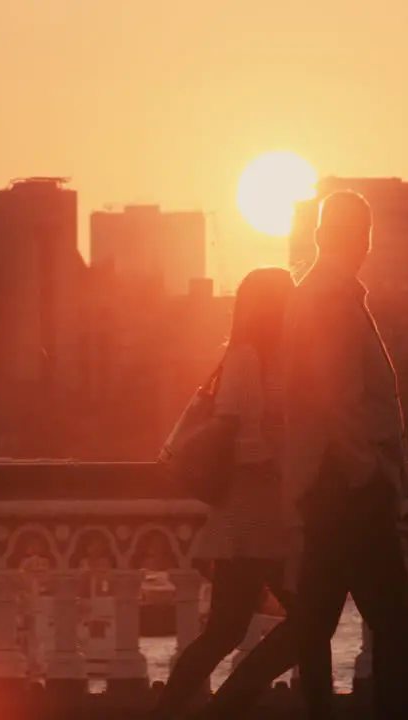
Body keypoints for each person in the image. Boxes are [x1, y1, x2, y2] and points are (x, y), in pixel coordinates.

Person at [281, 191, 408, 720]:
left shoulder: (315, 294)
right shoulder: (332, 301)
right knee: (400, 627)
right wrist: (370, 475)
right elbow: (338, 398)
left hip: (327, 487)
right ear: (358, 239)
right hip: (347, 490)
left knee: (313, 626)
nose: (363, 245)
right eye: (359, 234)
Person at [149, 266, 296, 720]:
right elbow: (230, 438)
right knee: (287, 621)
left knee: (230, 629)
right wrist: (279, 453)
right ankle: (216, 706)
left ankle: (195, 708)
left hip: (268, 519)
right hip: (246, 519)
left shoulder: (276, 357)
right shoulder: (245, 358)